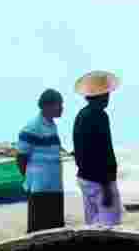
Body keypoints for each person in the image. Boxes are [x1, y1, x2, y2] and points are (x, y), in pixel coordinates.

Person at [73, 71, 122, 226]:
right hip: (100, 181)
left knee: (93, 224)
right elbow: (103, 152)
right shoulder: (99, 116)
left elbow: (81, 151)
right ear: (101, 95)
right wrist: (107, 186)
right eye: (106, 93)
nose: (108, 96)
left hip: (85, 177)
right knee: (109, 226)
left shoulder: (81, 115)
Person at [17, 89, 65, 233]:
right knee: (38, 230)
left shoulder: (52, 125)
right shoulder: (32, 126)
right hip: (40, 188)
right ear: (47, 106)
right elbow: (21, 157)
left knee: (55, 229)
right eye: (59, 104)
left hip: (55, 186)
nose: (62, 108)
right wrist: (30, 179)